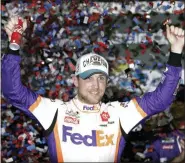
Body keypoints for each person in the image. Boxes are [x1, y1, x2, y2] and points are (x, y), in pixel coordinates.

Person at [1, 16, 184, 162]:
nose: (95, 86)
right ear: (75, 81)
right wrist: (14, 44)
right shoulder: (54, 110)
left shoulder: (119, 113)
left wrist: (176, 51)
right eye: (88, 78)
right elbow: (12, 91)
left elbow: (162, 99)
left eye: (101, 78)